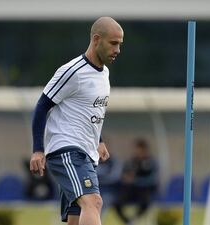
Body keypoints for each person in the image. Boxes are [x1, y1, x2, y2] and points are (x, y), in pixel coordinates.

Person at [29, 17, 124, 225]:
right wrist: (38, 149)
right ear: (96, 39)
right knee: (94, 202)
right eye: (113, 43)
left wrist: (97, 140)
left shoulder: (104, 73)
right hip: (67, 149)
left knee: (76, 216)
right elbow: (42, 105)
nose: (118, 49)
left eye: (120, 44)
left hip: (86, 153)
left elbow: (87, 111)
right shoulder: (72, 71)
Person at [113, 138, 158, 225]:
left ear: (144, 149)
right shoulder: (131, 161)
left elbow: (152, 179)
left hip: (145, 190)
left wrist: (136, 180)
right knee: (116, 202)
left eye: (139, 149)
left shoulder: (151, 162)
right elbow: (124, 175)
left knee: (145, 203)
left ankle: (134, 218)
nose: (136, 152)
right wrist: (126, 178)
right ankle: (128, 221)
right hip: (131, 190)